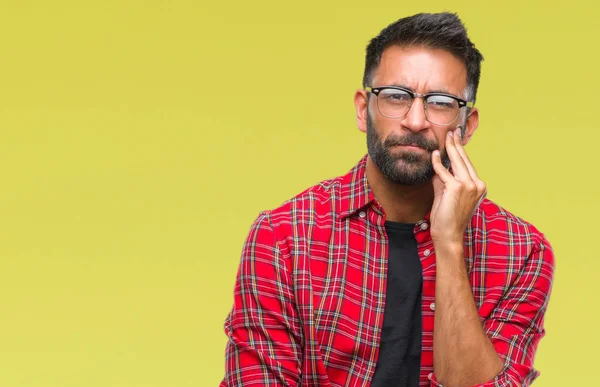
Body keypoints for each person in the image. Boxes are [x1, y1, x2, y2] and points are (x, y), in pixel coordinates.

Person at [219, 12, 554, 387]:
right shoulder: (283, 239)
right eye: (396, 96)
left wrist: (449, 243)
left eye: (440, 102)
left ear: (467, 125)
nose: (414, 121)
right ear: (364, 109)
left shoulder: (520, 252)